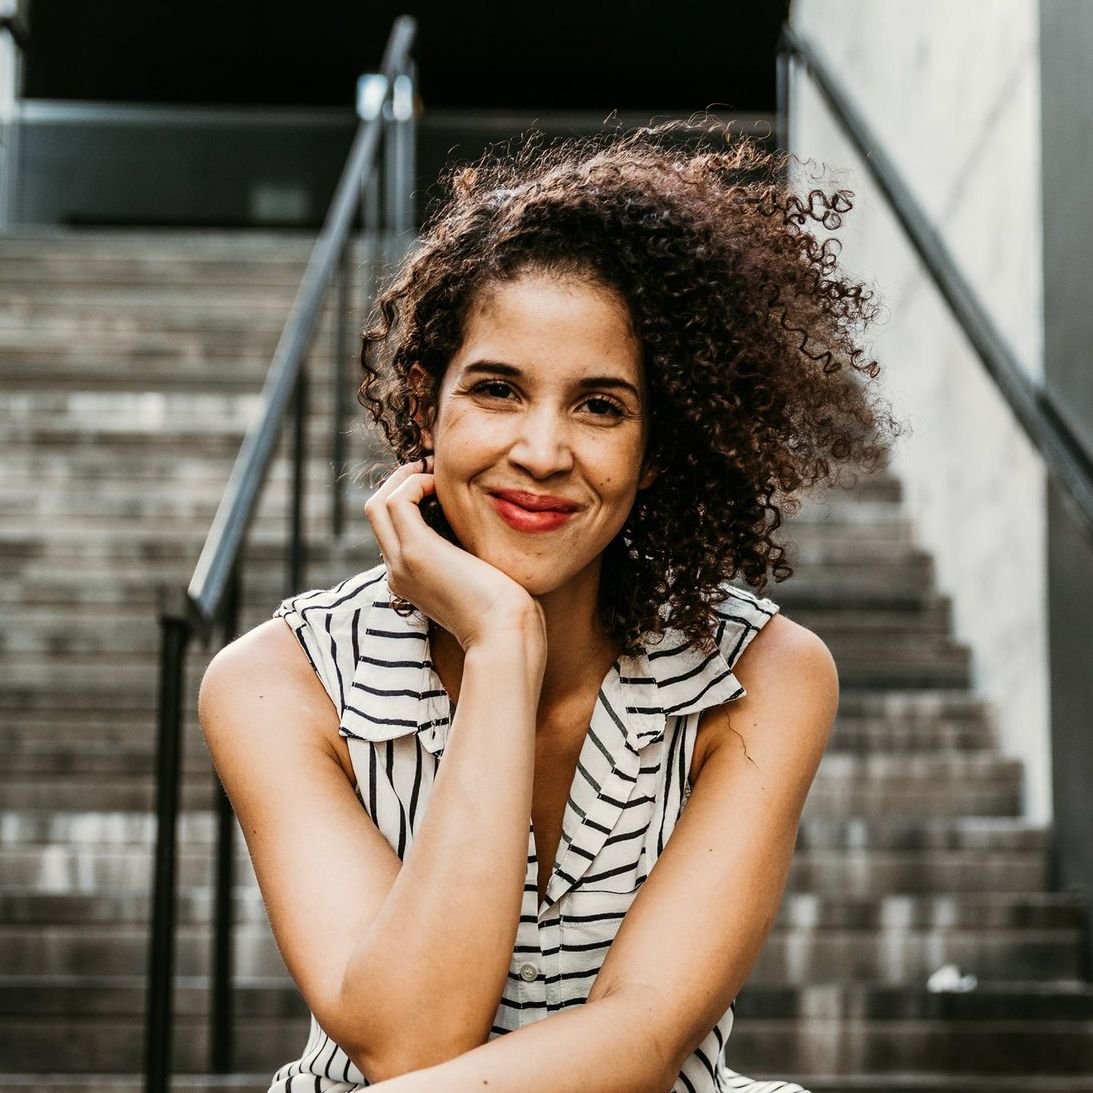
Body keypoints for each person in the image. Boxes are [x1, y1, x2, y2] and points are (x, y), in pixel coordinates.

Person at [199, 124, 890, 1093]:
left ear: (655, 452)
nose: (541, 449)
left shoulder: (762, 674)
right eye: (496, 389)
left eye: (599, 405)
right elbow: (404, 1037)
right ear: (424, 400)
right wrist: (501, 643)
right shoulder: (277, 681)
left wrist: (498, 629)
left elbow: (644, 1034)